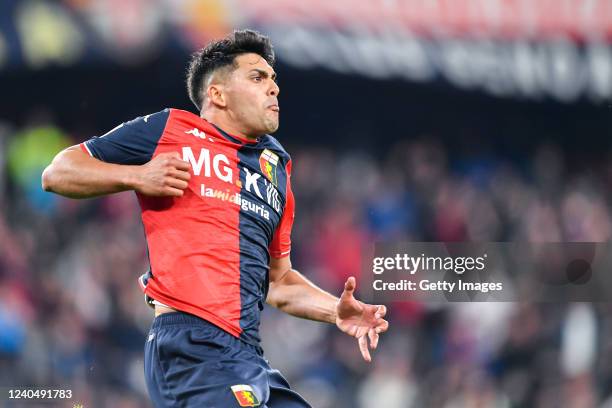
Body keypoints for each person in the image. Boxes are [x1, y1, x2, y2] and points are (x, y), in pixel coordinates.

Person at [41, 29, 389, 407]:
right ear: (218, 94)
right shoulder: (170, 129)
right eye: (257, 77)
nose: (274, 88)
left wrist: (333, 309)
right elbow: (58, 172)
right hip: (192, 347)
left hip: (248, 357)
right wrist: (138, 176)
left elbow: (279, 280)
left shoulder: (276, 168)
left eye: (273, 79)